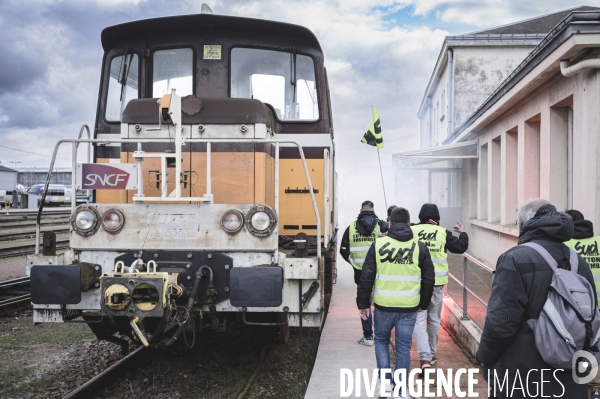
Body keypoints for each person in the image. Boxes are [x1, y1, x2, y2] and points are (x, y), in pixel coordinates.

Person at [476, 199, 595, 398]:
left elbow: (500, 324)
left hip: (522, 377)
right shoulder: (579, 262)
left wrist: (484, 357)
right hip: (570, 378)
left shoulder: (514, 259)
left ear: (523, 225)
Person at [357, 207, 435, 398]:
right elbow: (429, 279)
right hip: (409, 308)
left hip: (383, 306)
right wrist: (422, 304)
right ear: (409, 224)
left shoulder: (378, 244)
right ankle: (400, 391)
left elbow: (366, 277)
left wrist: (363, 304)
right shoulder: (420, 247)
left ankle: (385, 385)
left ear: (389, 224)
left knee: (381, 341)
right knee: (403, 347)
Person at [410, 203, 468, 369]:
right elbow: (460, 247)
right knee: (434, 318)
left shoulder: (412, 231)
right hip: (436, 283)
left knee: (419, 320)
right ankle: (432, 353)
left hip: (417, 283)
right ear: (436, 217)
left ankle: (424, 358)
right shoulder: (443, 233)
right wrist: (463, 233)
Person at [340, 200, 388, 346]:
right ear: (373, 210)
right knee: (381, 302)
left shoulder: (351, 227)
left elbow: (343, 250)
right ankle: (383, 336)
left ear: (361, 210)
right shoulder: (382, 225)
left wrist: (354, 263)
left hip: (360, 272)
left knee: (364, 302)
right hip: (380, 271)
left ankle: (368, 337)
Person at [564, 209, 600, 398]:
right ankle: (595, 390)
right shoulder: (599, 242)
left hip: (580, 309)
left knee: (581, 348)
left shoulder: (566, 246)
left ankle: (579, 388)